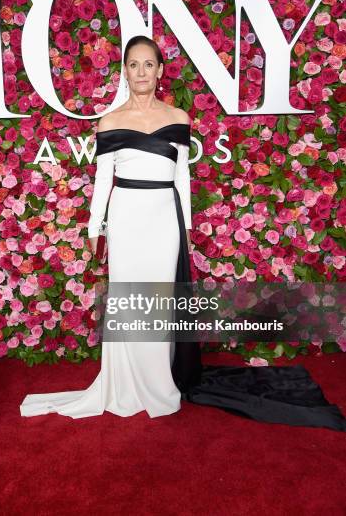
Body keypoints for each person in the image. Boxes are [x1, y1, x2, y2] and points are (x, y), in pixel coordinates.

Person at [20, 36, 346, 431]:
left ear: (159, 71)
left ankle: (158, 382)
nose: (141, 72)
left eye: (148, 65)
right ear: (125, 70)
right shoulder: (109, 121)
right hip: (124, 218)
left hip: (164, 218)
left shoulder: (179, 118)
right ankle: (124, 383)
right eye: (133, 64)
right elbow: (102, 181)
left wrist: (186, 227)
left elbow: (183, 179)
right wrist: (94, 229)